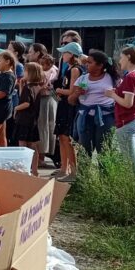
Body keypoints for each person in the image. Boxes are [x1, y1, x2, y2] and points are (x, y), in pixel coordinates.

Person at [68, 50, 117, 160]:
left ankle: (104, 172)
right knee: (84, 151)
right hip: (85, 117)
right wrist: (76, 93)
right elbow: (70, 101)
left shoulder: (111, 78)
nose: (86, 64)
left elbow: (120, 95)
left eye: (90, 62)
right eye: (86, 62)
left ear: (100, 65)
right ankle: (84, 171)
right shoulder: (82, 78)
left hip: (105, 117)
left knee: (104, 150)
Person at [106, 46, 135, 171]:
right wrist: (117, 92)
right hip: (134, 118)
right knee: (133, 157)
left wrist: (112, 95)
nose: (119, 61)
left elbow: (128, 103)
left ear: (128, 57)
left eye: (121, 57)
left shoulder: (131, 77)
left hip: (127, 120)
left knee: (129, 159)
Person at [53, 42, 84, 181]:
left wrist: (59, 90)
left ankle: (73, 170)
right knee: (61, 137)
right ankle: (63, 168)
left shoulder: (75, 69)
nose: (62, 55)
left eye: (64, 53)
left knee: (67, 139)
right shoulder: (69, 68)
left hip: (69, 107)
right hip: (63, 105)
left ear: (71, 54)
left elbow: (72, 90)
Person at [14, 63, 43, 176]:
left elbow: (26, 103)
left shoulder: (28, 87)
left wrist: (16, 108)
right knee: (33, 146)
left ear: (30, 73)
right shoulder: (37, 87)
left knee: (22, 145)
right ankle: (35, 170)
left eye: (25, 71)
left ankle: (24, 169)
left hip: (24, 119)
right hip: (33, 120)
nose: (23, 73)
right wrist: (21, 85)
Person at [37, 54, 58, 168]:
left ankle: (42, 156)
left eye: (44, 64)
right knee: (43, 127)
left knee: (45, 127)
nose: (42, 66)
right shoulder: (43, 71)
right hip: (44, 99)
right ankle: (40, 156)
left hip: (47, 99)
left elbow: (48, 82)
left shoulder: (53, 71)